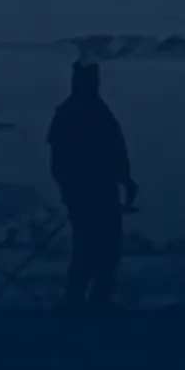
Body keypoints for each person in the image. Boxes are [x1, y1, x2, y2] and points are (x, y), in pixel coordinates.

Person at [47, 58, 138, 312]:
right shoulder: (70, 114)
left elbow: (117, 149)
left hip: (103, 189)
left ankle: (98, 297)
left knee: (106, 247)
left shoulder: (97, 111)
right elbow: (60, 159)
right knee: (88, 247)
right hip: (87, 191)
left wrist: (126, 179)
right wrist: (70, 190)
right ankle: (78, 298)